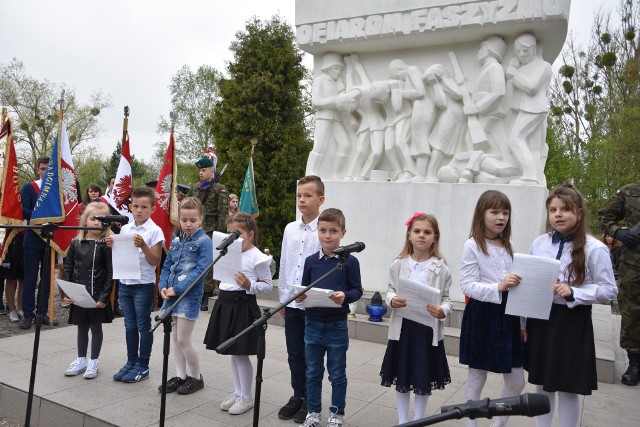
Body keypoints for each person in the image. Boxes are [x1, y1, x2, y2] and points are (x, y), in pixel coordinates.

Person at [527, 184, 617, 426]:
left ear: (579, 212)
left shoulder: (594, 248)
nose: (558, 214)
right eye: (553, 209)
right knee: (542, 383)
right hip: (541, 319)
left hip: (571, 322)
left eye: (565, 209)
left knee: (567, 386)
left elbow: (609, 291)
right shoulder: (539, 243)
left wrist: (574, 292)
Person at [458, 190, 525, 427]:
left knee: (517, 379)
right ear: (481, 214)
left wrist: (523, 323)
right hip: (483, 314)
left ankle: (499, 424)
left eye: (505, 212)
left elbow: (516, 287)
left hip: (509, 315)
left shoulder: (510, 245)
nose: (501, 217)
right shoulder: (472, 245)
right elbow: (466, 285)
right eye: (495, 211)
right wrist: (499, 286)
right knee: (477, 376)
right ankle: (471, 424)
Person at [380, 212, 452, 424]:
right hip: (403, 328)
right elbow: (390, 289)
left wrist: (443, 311)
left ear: (435, 237)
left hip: (427, 330)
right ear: (409, 235)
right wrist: (392, 300)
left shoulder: (442, 268)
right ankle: (403, 421)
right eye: (417, 231)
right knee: (402, 375)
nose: (422, 235)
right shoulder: (399, 264)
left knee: (423, 377)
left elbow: (447, 299)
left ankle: (419, 420)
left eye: (427, 232)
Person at [295, 208, 363, 427]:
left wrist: (345, 296)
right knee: (313, 372)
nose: (327, 235)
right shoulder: (311, 261)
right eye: (323, 230)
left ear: (343, 232)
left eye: (333, 231)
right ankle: (313, 413)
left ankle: (336, 414)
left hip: (336, 326)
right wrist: (301, 296)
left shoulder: (350, 262)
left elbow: (357, 290)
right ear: (317, 232)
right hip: (312, 324)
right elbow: (303, 290)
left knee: (337, 374)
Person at [204, 212, 273, 415]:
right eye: (229, 233)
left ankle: (247, 397)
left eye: (238, 234)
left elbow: (268, 286)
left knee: (241, 353)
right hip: (225, 303)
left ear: (250, 234)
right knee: (231, 352)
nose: (232, 238)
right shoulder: (228, 252)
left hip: (243, 305)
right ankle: (237, 391)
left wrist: (250, 285)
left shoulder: (258, 257)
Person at [277, 175, 325, 423]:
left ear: (320, 199)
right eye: (299, 195)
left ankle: (311, 399)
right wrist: (283, 298)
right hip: (292, 303)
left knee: (312, 355)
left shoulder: (324, 230)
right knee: (295, 352)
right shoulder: (290, 228)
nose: (302, 200)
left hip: (313, 305)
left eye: (307, 195)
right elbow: (285, 263)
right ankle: (298, 394)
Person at [108, 186, 164, 383]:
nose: (139, 210)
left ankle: (143, 364)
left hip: (143, 284)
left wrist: (143, 246)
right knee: (129, 325)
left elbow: (155, 261)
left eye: (144, 207)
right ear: (130, 207)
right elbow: (121, 255)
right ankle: (131, 361)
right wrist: (113, 245)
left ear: (152, 209)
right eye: (136, 206)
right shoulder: (125, 229)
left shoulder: (154, 231)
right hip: (125, 282)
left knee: (143, 325)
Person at [157, 197, 212, 395]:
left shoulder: (205, 242)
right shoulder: (177, 241)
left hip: (188, 295)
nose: (188, 224)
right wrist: (163, 286)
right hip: (171, 294)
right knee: (174, 337)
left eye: (193, 220)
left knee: (183, 339)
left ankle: (196, 377)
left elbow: (200, 270)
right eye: (184, 220)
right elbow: (166, 265)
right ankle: (180, 376)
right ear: (179, 219)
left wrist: (178, 289)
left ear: (201, 220)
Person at [62, 202, 114, 379]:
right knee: (81, 327)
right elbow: (68, 268)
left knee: (95, 327)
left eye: (101, 220)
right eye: (94, 219)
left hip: (97, 295)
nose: (97, 223)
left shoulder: (106, 245)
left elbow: (110, 272)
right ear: (85, 220)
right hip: (79, 295)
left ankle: (93, 362)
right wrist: (67, 293)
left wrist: (104, 296)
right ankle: (81, 359)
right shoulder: (75, 243)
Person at [598, 183, 640, 386]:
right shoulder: (629, 191)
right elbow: (605, 216)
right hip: (634, 265)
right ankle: (634, 363)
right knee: (632, 312)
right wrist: (619, 233)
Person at [187, 155, 229, 311]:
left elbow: (223, 214)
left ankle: (207, 293)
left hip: (211, 230)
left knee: (208, 264)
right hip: (195, 229)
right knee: (192, 261)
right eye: (199, 170)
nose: (201, 173)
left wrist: (219, 234)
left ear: (212, 171)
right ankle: (192, 291)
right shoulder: (194, 188)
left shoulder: (219, 189)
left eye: (204, 170)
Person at [19, 156, 50, 329]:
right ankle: (28, 315)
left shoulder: (55, 192)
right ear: (38, 169)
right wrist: (43, 217)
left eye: (48, 169)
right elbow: (24, 211)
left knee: (46, 279)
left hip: (49, 240)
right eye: (43, 168)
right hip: (32, 237)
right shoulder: (29, 188)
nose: (45, 172)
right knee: (30, 278)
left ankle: (42, 312)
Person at [2, 235, 24, 322]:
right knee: (11, 279)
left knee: (23, 280)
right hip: (11, 246)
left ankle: (20, 308)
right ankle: (11, 310)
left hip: (25, 246)